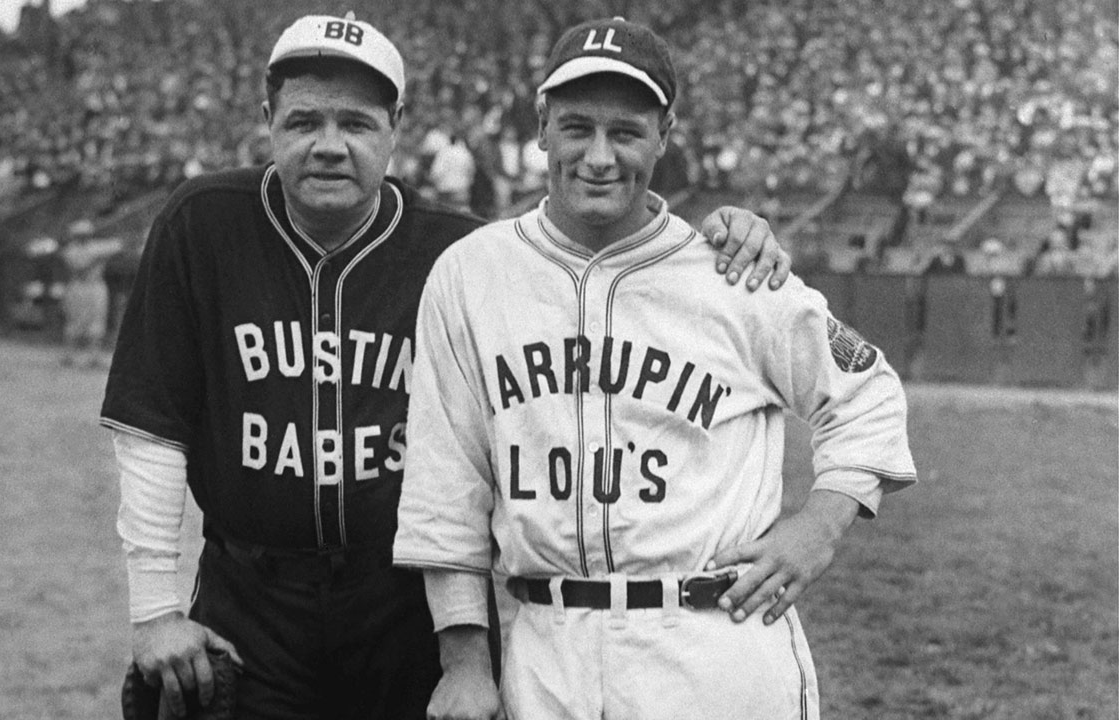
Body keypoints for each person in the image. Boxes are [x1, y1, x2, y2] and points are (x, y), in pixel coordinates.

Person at [101, 13, 793, 720]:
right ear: (266, 116)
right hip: (251, 595)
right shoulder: (204, 223)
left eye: (358, 123)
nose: (330, 146)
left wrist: (725, 236)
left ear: (397, 125)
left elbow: (592, 250)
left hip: (406, 604)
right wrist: (155, 610)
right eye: (305, 120)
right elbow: (152, 428)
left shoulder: (461, 254)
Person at [393, 17, 917, 720]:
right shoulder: (471, 274)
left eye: (627, 132)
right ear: (541, 127)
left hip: (708, 638)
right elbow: (446, 481)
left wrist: (818, 527)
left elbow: (868, 391)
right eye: (577, 128)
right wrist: (463, 662)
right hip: (547, 647)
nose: (599, 158)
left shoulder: (732, 272)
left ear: (665, 135)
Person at [59, 219, 124, 368]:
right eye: (80, 234)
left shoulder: (97, 246)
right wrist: (97, 258)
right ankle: (68, 355)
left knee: (97, 320)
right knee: (74, 320)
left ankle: (94, 357)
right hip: (78, 286)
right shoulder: (70, 250)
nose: (84, 237)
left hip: (96, 286)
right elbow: (80, 267)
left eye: (86, 234)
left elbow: (119, 245)